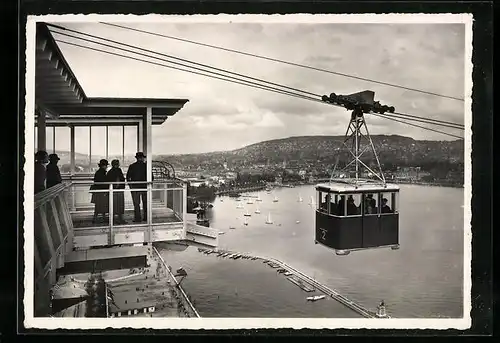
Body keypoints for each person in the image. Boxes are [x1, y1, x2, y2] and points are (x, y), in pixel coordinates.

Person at [126, 152, 148, 222]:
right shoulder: (146, 166)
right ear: (142, 158)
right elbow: (152, 177)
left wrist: (131, 186)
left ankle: (138, 218)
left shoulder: (132, 166)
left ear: (136, 158)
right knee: (145, 203)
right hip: (145, 187)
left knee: (136, 204)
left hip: (135, 187)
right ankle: (146, 217)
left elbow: (128, 177)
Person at [106, 159, 126, 224]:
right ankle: (120, 219)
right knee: (119, 205)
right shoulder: (118, 170)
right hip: (118, 190)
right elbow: (122, 179)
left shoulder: (110, 172)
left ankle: (113, 220)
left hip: (113, 190)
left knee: (114, 205)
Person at [91, 159, 109, 223]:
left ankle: (97, 218)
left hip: (98, 191)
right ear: (103, 166)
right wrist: (105, 191)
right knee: (100, 205)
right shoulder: (102, 173)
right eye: (106, 165)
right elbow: (103, 183)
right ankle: (96, 218)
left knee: (99, 205)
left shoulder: (99, 172)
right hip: (101, 191)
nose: (106, 166)